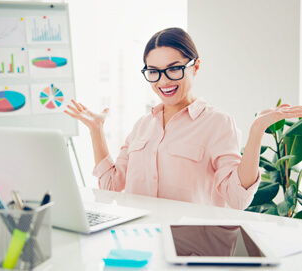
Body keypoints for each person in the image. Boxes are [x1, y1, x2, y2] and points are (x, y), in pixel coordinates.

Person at [64, 27, 302, 210]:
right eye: (153, 71)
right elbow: (110, 187)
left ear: (195, 67)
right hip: (137, 241)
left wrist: (258, 130)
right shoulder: (142, 126)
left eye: (174, 68)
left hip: (191, 248)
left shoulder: (217, 123)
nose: (163, 81)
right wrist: (96, 130)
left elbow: (237, 198)